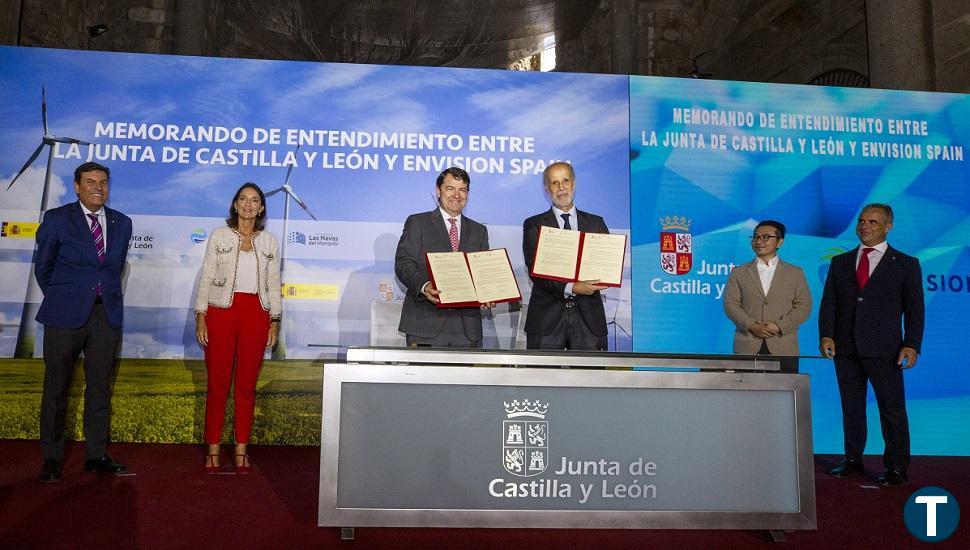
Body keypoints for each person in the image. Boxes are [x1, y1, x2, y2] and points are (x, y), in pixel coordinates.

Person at [35, 162, 132, 482]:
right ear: (76, 186)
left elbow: (112, 269)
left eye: (103, 182)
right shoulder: (57, 219)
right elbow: (44, 269)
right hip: (64, 317)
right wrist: (66, 298)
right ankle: (51, 458)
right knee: (56, 389)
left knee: (100, 389)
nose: (97, 187)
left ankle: (96, 454)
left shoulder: (122, 223)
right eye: (90, 182)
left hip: (106, 316)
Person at [819, 203, 924, 487]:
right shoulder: (840, 262)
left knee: (892, 409)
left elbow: (915, 309)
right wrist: (826, 335)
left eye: (873, 222)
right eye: (862, 221)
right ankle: (853, 460)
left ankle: (897, 467)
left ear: (888, 226)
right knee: (851, 407)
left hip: (886, 349)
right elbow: (830, 302)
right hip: (846, 348)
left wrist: (912, 344)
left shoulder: (906, 264)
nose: (865, 226)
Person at [195, 183, 281, 473]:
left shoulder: (269, 241)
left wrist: (275, 320)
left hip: (256, 315)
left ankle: (242, 449)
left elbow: (273, 285)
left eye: (254, 200)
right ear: (235, 205)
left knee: (246, 386)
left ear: (261, 208)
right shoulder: (219, 236)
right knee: (218, 384)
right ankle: (214, 449)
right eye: (243, 199)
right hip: (221, 313)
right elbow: (206, 277)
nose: (248, 204)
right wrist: (200, 315)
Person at [395, 167, 490, 347]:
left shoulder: (479, 231)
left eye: (462, 189)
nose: (457, 195)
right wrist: (424, 286)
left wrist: (489, 292)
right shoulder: (417, 223)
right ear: (438, 191)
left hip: (467, 330)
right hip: (425, 326)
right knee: (425, 376)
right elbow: (404, 263)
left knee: (465, 377)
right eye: (450, 188)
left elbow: (482, 273)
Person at [522, 162, 609, 350]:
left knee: (590, 378)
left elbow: (606, 265)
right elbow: (535, 271)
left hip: (589, 321)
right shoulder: (534, 225)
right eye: (554, 183)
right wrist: (573, 287)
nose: (561, 188)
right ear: (546, 188)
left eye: (565, 181)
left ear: (574, 183)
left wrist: (606, 275)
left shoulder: (597, 223)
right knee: (542, 378)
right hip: (546, 320)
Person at [723, 220, 812, 356]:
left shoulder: (795, 272)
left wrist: (778, 326)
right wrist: (752, 325)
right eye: (755, 237)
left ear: (780, 241)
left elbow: (804, 306)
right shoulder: (738, 272)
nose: (759, 241)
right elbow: (730, 305)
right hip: (747, 344)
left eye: (765, 237)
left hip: (784, 346)